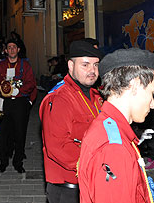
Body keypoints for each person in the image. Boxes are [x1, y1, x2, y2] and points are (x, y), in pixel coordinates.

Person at [78, 48, 154, 203]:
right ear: (135, 85)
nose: (153, 104)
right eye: (151, 94)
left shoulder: (108, 126)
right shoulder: (113, 148)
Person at [40, 40, 104, 203]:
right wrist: (98, 164)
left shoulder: (95, 96)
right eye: (85, 65)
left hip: (92, 182)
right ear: (70, 65)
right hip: (69, 188)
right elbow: (58, 146)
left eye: (95, 65)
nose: (92, 70)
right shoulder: (60, 98)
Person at [0, 39, 37, 173]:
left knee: (20, 132)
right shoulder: (0, 66)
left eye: (14, 47)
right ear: (6, 50)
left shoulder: (25, 65)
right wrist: (2, 90)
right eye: (9, 47)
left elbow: (31, 83)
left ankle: (18, 161)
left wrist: (20, 91)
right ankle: (3, 161)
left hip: (19, 102)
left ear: (18, 50)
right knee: (3, 133)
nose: (11, 50)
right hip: (4, 102)